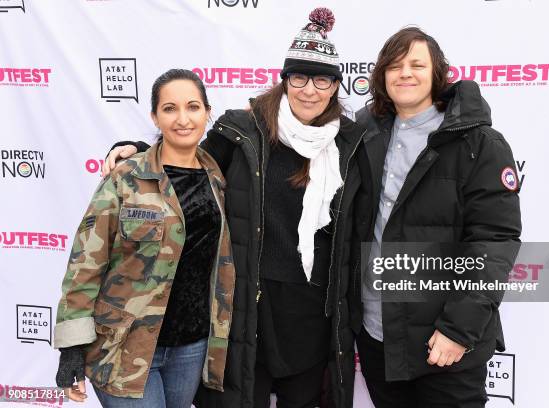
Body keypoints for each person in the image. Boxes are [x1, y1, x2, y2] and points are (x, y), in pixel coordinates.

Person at [103, 8, 371, 408]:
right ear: (284, 81)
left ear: (335, 85)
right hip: (248, 307)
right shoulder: (242, 130)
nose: (309, 90)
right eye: (298, 77)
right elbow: (190, 166)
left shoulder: (350, 143)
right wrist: (140, 152)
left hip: (313, 313)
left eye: (322, 79)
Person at [352, 26, 522, 408]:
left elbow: (494, 243)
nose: (405, 73)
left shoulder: (479, 144)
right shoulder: (365, 133)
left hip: (443, 343)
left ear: (437, 73)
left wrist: (458, 330)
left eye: (417, 64)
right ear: (381, 76)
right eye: (394, 65)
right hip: (378, 337)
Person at [53, 69, 236, 408]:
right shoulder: (126, 177)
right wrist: (71, 347)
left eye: (192, 107)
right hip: (124, 347)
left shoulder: (216, 176)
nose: (182, 118)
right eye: (169, 108)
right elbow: (85, 262)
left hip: (191, 348)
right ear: (155, 116)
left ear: (207, 112)